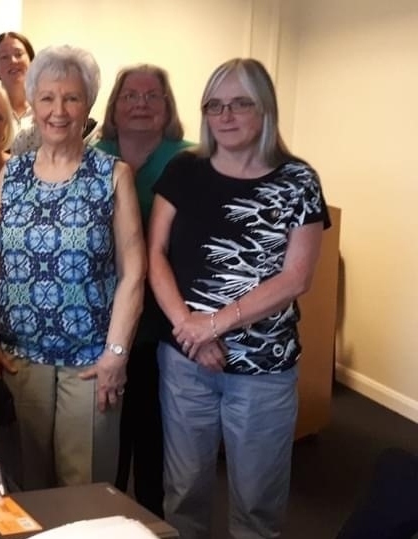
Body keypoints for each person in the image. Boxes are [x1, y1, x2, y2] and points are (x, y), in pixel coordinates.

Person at [147, 58, 329, 539]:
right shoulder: (184, 169)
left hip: (263, 371)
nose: (225, 116)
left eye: (240, 104)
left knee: (256, 506)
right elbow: (155, 253)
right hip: (186, 360)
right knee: (183, 495)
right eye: (214, 105)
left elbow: (296, 278)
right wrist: (191, 329)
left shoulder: (298, 181)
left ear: (264, 108)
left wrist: (213, 324)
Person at [0, 45, 146, 490]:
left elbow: (133, 274)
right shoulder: (10, 176)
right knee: (24, 487)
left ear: (88, 105)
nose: (59, 110)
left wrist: (116, 355)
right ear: (32, 104)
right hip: (18, 359)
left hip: (90, 361)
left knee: (84, 488)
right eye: (48, 98)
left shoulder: (113, 175)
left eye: (71, 98)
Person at [93, 64, 193, 517]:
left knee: (154, 437)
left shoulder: (191, 160)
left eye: (153, 96)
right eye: (130, 95)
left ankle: (152, 520)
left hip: (165, 321)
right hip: (103, 321)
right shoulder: (95, 155)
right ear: (114, 106)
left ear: (168, 108)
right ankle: (104, 519)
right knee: (105, 439)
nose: (140, 104)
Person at [0, 32, 35, 134]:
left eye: (19, 54)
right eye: (4, 57)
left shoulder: (46, 108)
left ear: (31, 60)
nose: (13, 61)